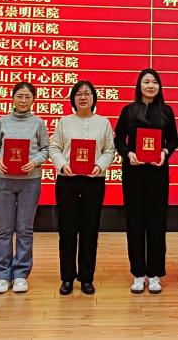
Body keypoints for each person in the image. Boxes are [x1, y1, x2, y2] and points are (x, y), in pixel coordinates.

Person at [114, 69, 178, 294]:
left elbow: (174, 140)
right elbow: (118, 139)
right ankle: (138, 273)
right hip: (134, 173)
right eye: (146, 82)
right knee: (135, 223)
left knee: (157, 223)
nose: (150, 86)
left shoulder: (166, 111)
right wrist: (128, 154)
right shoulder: (128, 111)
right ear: (139, 86)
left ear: (159, 87)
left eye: (154, 82)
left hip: (158, 173)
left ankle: (154, 274)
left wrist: (164, 152)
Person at [50, 81, 117, 295]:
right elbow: (54, 147)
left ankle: (87, 278)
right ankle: (67, 278)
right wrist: (63, 165)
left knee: (89, 230)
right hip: (67, 180)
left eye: (87, 94)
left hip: (93, 181)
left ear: (93, 98)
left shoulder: (103, 123)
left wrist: (100, 166)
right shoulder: (64, 122)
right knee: (67, 231)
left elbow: (110, 150)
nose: (83, 97)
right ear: (73, 98)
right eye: (78, 94)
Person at [0, 82, 50, 294]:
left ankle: (21, 274)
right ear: (12, 98)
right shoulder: (2, 121)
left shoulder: (38, 123)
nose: (23, 101)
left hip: (30, 180)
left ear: (33, 100)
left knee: (24, 229)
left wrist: (35, 161)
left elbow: (46, 149)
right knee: (5, 229)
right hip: (4, 180)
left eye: (27, 97)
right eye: (19, 96)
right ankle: (2, 275)